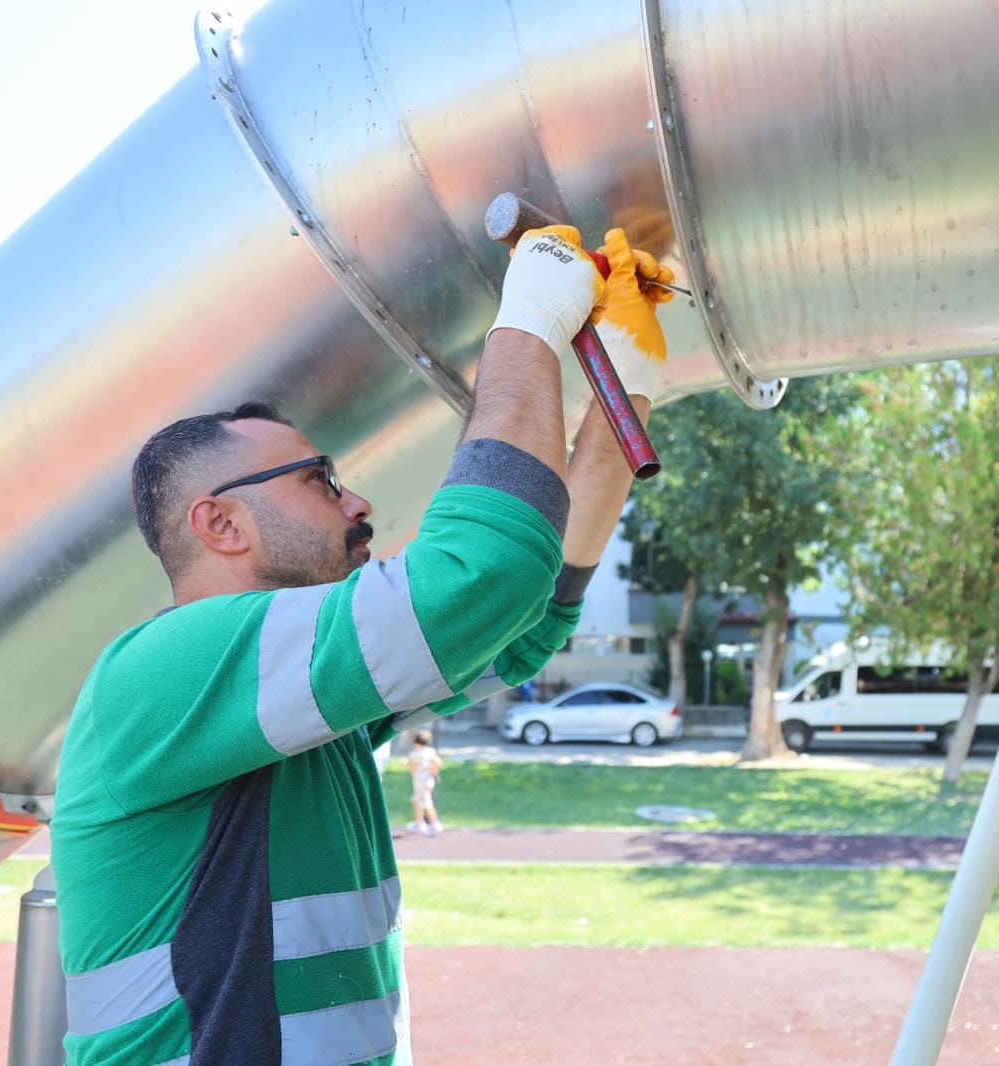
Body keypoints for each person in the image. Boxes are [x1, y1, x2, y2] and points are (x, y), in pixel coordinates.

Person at [51, 223, 674, 1065]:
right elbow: (479, 573)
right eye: (320, 481)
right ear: (220, 524)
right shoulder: (162, 671)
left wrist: (622, 397)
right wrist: (527, 319)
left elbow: (522, 625)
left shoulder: (296, 711)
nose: (358, 502)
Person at [406, 729, 443, 835]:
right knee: (417, 801)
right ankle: (418, 822)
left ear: (415, 742)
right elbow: (439, 762)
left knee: (426, 803)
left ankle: (435, 824)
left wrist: (406, 764)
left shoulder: (415, 754)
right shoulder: (430, 752)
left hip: (420, 781)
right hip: (427, 780)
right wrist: (433, 771)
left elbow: (412, 768)